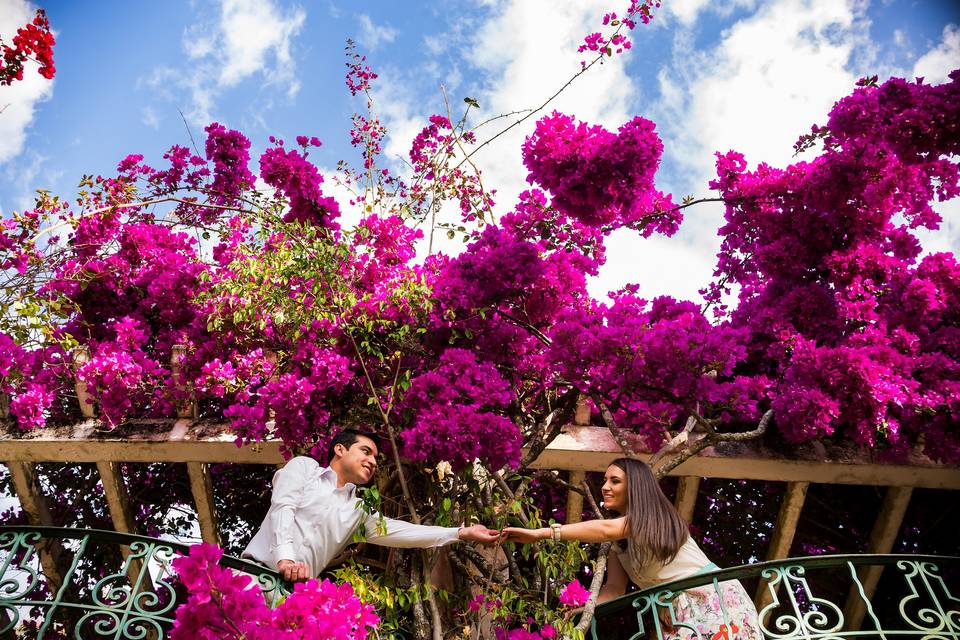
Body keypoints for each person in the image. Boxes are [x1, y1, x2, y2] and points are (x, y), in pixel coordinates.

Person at [503, 458, 761, 640]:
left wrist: (541, 533)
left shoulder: (653, 516)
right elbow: (615, 588)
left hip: (707, 598)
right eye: (605, 480)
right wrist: (585, 607)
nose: (605, 487)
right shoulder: (619, 542)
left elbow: (606, 529)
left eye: (614, 481)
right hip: (672, 612)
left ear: (635, 486)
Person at [243, 429, 501, 582]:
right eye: (366, 451)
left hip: (292, 597)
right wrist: (285, 560)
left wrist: (459, 533)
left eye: (376, 457)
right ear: (340, 449)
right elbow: (283, 507)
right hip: (253, 575)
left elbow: (403, 532)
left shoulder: (358, 510)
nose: (373, 461)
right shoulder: (305, 468)